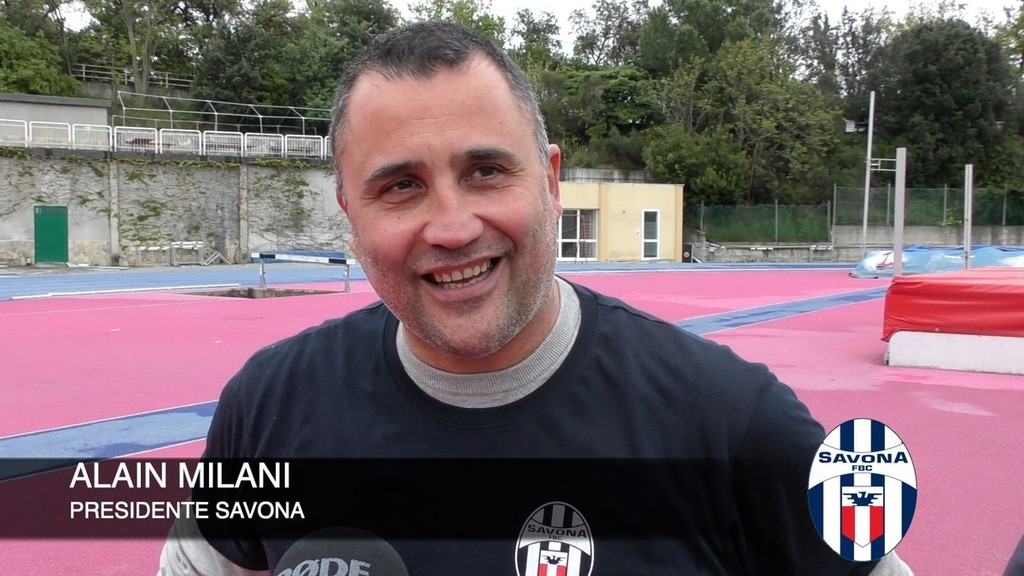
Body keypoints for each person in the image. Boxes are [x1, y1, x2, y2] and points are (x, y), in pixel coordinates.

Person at [159, 21, 914, 575]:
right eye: (401, 187)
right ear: (350, 214)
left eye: (486, 172)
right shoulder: (267, 407)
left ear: (551, 182)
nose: (453, 227)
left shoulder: (734, 425)